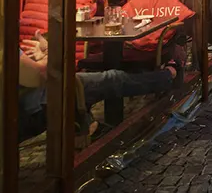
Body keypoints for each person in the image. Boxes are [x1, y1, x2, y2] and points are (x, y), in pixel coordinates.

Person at [18, 33, 181, 143]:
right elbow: (43, 75)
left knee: (106, 80)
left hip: (34, 102)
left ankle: (90, 127)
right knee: (112, 79)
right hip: (36, 108)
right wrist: (48, 52)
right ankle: (168, 76)